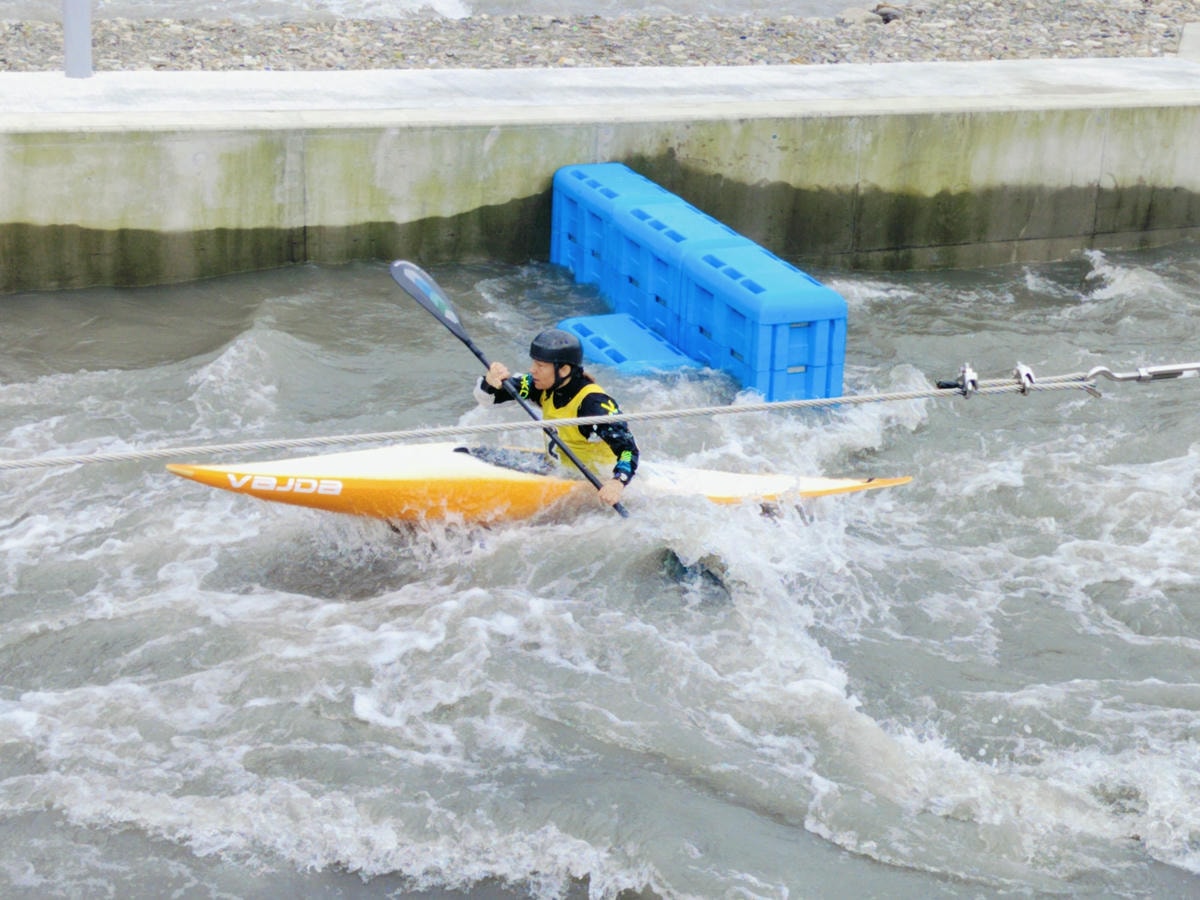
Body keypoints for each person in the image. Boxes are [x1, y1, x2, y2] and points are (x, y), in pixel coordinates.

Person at [474, 328, 638, 507]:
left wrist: (617, 481)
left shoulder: (593, 405)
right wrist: (491, 382)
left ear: (564, 369)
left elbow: (628, 449)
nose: (532, 370)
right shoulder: (540, 385)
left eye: (540, 365)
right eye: (533, 363)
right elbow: (488, 399)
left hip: (594, 485)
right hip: (558, 470)